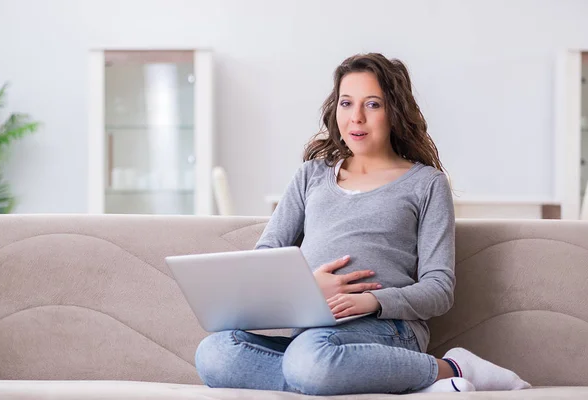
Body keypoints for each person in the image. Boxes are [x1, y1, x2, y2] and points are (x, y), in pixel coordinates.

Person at [195, 53, 531, 395]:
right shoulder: (310, 175)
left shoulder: (427, 183)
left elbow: (439, 289)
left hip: (389, 328)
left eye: (372, 104)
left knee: (309, 360)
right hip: (314, 334)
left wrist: (374, 301)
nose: (356, 117)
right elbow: (265, 256)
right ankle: (386, 378)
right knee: (215, 354)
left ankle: (449, 367)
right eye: (346, 103)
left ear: (394, 111)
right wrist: (307, 290)